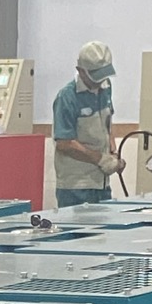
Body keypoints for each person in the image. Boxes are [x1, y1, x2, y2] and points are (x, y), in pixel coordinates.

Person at [52, 42, 121, 208]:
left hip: (101, 184)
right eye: (96, 76)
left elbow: (108, 123)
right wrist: (100, 159)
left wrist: (113, 153)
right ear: (80, 70)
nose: (100, 81)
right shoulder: (66, 97)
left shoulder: (106, 88)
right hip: (76, 186)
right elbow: (64, 143)